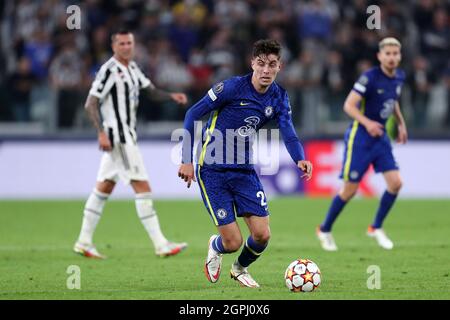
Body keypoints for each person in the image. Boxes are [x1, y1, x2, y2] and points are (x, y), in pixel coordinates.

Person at [178, 39, 313, 288]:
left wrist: (300, 158)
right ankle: (215, 246)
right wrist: (186, 159)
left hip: (244, 170)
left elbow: (289, 131)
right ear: (252, 63)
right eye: (261, 64)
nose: (265, 70)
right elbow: (192, 114)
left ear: (279, 67)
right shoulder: (229, 88)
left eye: (271, 65)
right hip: (212, 170)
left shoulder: (279, 97)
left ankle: (240, 269)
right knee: (232, 243)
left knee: (262, 235)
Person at [74, 30, 188, 259]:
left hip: (126, 137)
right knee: (143, 188)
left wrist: (170, 96)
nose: (127, 47)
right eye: (122, 43)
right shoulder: (108, 70)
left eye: (130, 43)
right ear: (113, 45)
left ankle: (84, 241)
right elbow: (90, 103)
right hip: (120, 139)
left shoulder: (132, 68)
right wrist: (101, 133)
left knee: (103, 188)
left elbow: (151, 91)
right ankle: (160, 244)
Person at [316, 37, 408, 251]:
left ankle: (375, 227)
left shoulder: (399, 77)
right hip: (361, 138)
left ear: (400, 56)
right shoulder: (369, 78)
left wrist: (401, 124)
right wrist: (368, 124)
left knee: (396, 183)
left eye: (395, 53)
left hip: (381, 138)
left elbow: (393, 103)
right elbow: (348, 106)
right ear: (380, 56)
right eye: (388, 54)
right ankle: (325, 229)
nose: (392, 57)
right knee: (350, 190)